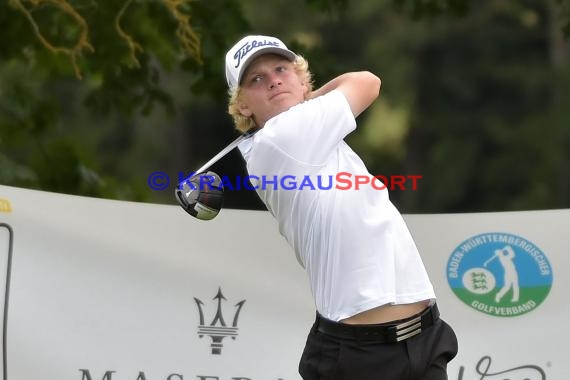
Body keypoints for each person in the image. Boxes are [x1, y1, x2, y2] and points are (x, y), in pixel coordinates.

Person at [225, 34, 458, 380]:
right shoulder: (281, 139)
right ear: (243, 106)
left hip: (422, 336)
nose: (273, 79)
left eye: (281, 69)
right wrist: (310, 96)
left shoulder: (317, 135)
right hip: (361, 356)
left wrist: (305, 98)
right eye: (256, 79)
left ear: (301, 79)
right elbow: (367, 82)